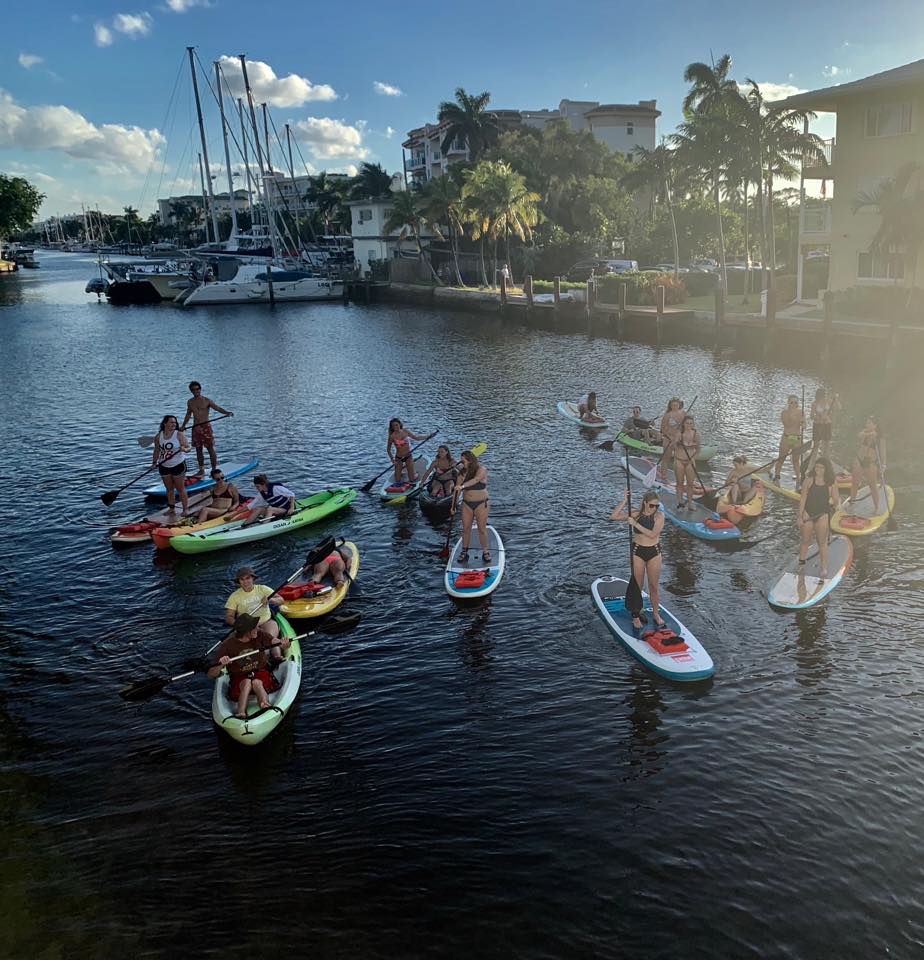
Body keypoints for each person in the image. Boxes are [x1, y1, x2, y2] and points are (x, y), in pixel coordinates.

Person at [207, 614, 290, 719]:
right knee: (246, 683)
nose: (258, 628)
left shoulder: (260, 634)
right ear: (246, 631)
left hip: (261, 673)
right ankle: (241, 712)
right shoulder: (228, 645)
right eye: (254, 627)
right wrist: (221, 664)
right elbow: (211, 674)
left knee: (256, 682)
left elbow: (275, 642)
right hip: (239, 678)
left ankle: (264, 704)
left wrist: (283, 644)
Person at [609, 488, 666, 630]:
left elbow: (653, 535)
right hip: (637, 551)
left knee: (653, 586)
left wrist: (635, 524)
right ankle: (636, 615)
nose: (654, 508)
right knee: (637, 586)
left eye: (657, 506)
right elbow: (614, 516)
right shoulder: (635, 513)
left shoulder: (660, 516)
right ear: (645, 503)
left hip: (654, 552)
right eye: (652, 505)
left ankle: (655, 613)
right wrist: (625, 500)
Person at [797, 457, 841, 580]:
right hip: (808, 513)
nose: (818, 470)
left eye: (821, 468)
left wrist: (837, 505)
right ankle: (801, 564)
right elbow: (803, 499)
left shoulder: (831, 483)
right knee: (806, 540)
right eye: (816, 467)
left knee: (822, 543)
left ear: (826, 469)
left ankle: (823, 567)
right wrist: (800, 517)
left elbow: (836, 499)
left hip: (822, 514)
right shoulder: (808, 481)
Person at [181, 381, 233, 474]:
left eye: (197, 389)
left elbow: (218, 408)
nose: (196, 391)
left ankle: (214, 469)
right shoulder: (190, 402)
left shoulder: (206, 400)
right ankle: (201, 470)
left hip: (206, 427)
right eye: (193, 390)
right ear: (191, 391)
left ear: (200, 389)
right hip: (196, 428)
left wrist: (227, 413)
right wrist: (183, 426)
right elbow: (188, 414)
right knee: (198, 449)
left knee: (210, 448)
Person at [224, 565, 283, 644]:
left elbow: (281, 600)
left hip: (266, 621)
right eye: (242, 579)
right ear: (239, 581)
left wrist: (270, 600)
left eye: (248, 578)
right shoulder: (234, 596)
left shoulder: (263, 589)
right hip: (247, 626)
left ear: (253, 578)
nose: (245, 582)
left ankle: (277, 655)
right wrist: (239, 626)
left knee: (270, 640)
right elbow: (229, 617)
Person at [452, 449, 491, 562]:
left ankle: (485, 552)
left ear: (470, 461)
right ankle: (464, 552)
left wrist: (462, 486)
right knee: (466, 529)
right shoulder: (462, 473)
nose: (461, 463)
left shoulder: (481, 470)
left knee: (482, 529)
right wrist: (453, 506)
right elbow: (457, 491)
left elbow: (476, 479)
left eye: (463, 461)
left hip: (481, 503)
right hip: (467, 504)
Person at [151, 415, 191, 515]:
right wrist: (154, 462)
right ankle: (171, 508)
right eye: (171, 422)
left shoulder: (179, 434)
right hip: (164, 466)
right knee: (169, 489)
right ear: (165, 423)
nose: (174, 424)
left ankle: (185, 509)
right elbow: (156, 450)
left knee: (180, 489)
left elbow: (188, 447)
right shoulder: (158, 436)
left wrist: (184, 449)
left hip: (178, 465)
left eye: (175, 422)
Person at [847, 415, 886, 515]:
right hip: (859, 459)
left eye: (869, 423)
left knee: (872, 485)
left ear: (875, 425)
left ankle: (876, 507)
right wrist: (869, 434)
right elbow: (859, 435)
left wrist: (883, 465)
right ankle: (852, 502)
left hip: (871, 462)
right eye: (867, 422)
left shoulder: (880, 437)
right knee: (855, 482)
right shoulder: (864, 433)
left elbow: (882, 453)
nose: (866, 424)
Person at [387, 419, 432, 484]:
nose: (396, 427)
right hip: (398, 458)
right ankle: (400, 470)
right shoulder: (392, 436)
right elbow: (388, 450)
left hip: (408, 456)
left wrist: (428, 436)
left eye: (396, 425)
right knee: (397, 480)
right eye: (393, 426)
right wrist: (392, 460)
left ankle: (414, 473)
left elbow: (416, 438)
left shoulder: (405, 431)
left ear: (400, 424)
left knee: (412, 479)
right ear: (392, 427)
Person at [774, 395, 805, 486]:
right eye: (792, 402)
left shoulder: (801, 412)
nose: (794, 404)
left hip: (796, 438)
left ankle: (798, 477)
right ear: (788, 403)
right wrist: (794, 417)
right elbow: (787, 424)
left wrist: (803, 424)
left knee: (796, 460)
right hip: (787, 437)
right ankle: (777, 475)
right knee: (781, 458)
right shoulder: (784, 413)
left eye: (796, 402)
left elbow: (804, 424)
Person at [672, 414, 702, 510]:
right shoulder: (679, 433)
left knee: (690, 484)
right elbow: (674, 447)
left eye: (691, 423)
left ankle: (690, 503)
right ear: (683, 424)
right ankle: (680, 502)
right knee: (679, 483)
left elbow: (698, 449)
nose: (689, 425)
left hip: (690, 461)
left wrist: (693, 458)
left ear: (693, 424)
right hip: (679, 460)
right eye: (687, 423)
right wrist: (677, 443)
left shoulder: (696, 434)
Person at [807, 387, 841, 466]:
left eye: (825, 395)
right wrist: (819, 417)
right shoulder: (814, 403)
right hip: (818, 425)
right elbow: (811, 416)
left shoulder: (829, 401)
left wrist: (836, 400)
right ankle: (812, 464)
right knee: (816, 445)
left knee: (826, 445)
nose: (824, 397)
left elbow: (838, 408)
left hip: (827, 425)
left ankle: (826, 463)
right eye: (823, 395)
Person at [658, 398, 685, 479]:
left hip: (678, 440)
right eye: (673, 405)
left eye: (676, 405)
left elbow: (688, 426)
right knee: (666, 457)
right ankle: (663, 474)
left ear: (679, 405)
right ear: (670, 406)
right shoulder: (667, 415)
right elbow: (662, 428)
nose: (674, 407)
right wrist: (669, 437)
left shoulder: (683, 414)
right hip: (668, 439)